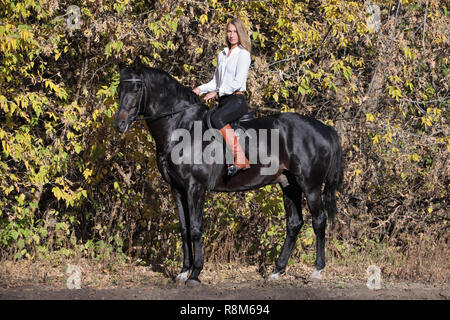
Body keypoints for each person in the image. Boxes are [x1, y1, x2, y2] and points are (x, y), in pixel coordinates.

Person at [193, 17, 252, 176]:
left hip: (237, 100)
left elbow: (236, 81)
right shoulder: (222, 54)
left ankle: (240, 158)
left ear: (240, 34)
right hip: (224, 101)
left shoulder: (243, 54)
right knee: (205, 119)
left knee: (217, 118)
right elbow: (216, 82)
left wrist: (217, 92)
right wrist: (200, 89)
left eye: (235, 32)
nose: (232, 35)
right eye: (229, 31)